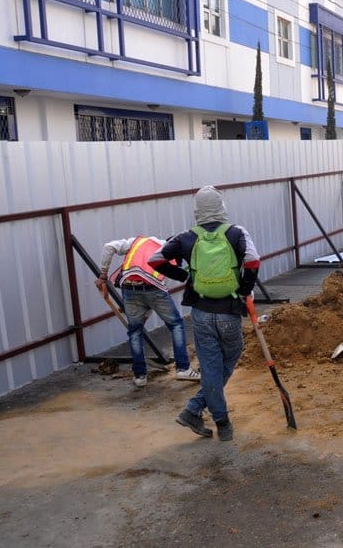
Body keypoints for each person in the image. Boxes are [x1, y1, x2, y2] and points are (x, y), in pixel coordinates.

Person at [149, 186, 260, 442]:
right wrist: (244, 289)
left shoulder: (186, 237)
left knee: (210, 367)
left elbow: (155, 260)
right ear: (222, 206)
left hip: (200, 312)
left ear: (197, 210)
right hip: (229, 311)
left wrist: (186, 275)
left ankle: (204, 414)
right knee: (228, 360)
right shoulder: (236, 232)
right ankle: (207, 416)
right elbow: (253, 260)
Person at [96, 237, 201, 388]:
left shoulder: (137, 242)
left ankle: (139, 376)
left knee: (135, 332)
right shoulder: (169, 251)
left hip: (129, 287)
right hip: (153, 288)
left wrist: (103, 276)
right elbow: (157, 291)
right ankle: (183, 368)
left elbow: (108, 246)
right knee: (176, 325)